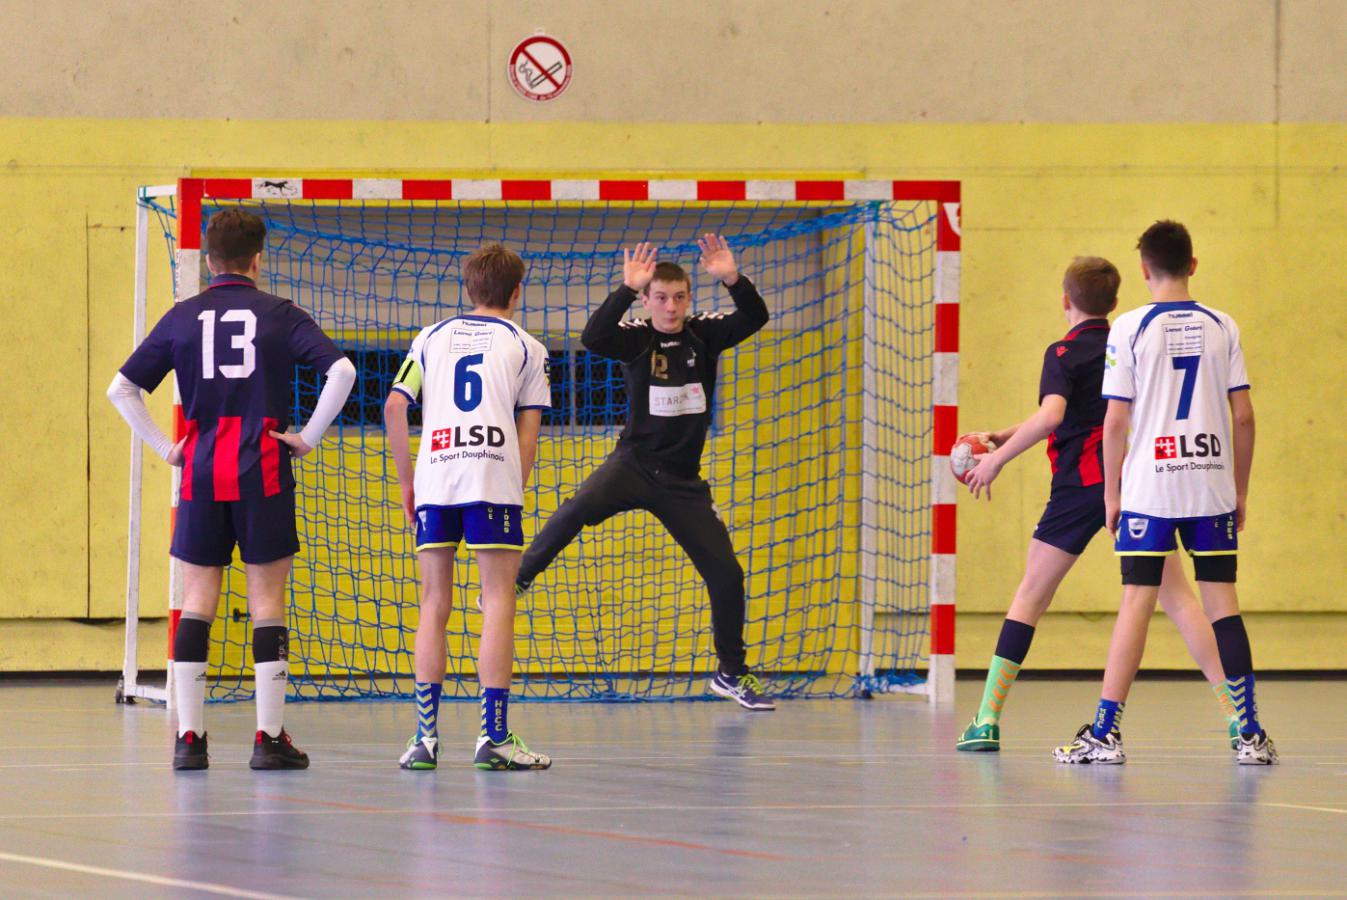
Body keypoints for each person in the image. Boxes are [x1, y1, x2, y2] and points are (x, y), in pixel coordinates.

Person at [955, 257, 1240, 752]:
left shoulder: (1062, 352)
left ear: (1065, 300)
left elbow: (1052, 415)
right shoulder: (1124, 340)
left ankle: (986, 720)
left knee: (1030, 597)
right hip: (1131, 486)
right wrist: (1003, 433)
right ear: (1114, 301)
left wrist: (996, 459)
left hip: (1077, 490)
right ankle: (1237, 715)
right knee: (1178, 600)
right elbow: (1084, 414)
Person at [108, 208, 356, 771]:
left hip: (201, 471)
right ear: (257, 259)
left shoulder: (182, 316)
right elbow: (342, 372)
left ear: (207, 260)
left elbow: (121, 388)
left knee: (197, 600)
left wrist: (166, 447)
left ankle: (189, 739)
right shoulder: (281, 313)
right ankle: (268, 739)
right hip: (263, 466)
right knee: (267, 601)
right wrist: (307, 438)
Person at [506, 235, 774, 710]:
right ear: (648, 301)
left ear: (688, 299)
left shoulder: (704, 333)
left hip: (683, 481)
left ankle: (731, 673)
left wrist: (732, 279)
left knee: (727, 575)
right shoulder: (636, 336)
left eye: (679, 297)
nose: (671, 307)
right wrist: (626, 289)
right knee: (577, 509)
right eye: (661, 298)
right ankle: (519, 579)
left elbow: (755, 317)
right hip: (633, 465)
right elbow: (594, 337)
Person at [1054, 221, 1276, 765]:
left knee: (1137, 600)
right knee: (1223, 603)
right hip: (1209, 481)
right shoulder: (1223, 325)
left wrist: (1112, 495)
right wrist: (1239, 489)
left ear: (1144, 270)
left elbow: (1114, 423)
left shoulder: (1128, 328)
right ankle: (1249, 735)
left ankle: (1105, 734)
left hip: (1150, 487)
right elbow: (1244, 416)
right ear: (1193, 265)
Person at [387, 243, 553, 771]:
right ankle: (493, 738)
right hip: (491, 480)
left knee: (434, 602)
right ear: (517, 292)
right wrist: (511, 486)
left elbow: (394, 406)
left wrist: (409, 480)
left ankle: (425, 740)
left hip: (435, 478)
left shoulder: (430, 337)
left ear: (468, 290)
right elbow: (528, 437)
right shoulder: (528, 347)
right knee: (497, 600)